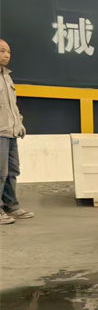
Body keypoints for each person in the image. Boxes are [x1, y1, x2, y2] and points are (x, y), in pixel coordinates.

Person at [0, 39, 34, 225]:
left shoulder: (7, 77)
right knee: (0, 172)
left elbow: (12, 105)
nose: (6, 55)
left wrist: (19, 123)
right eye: (2, 51)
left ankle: (10, 206)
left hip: (10, 132)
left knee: (12, 171)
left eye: (9, 52)